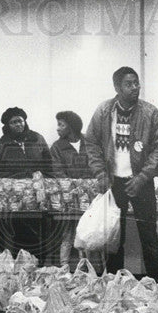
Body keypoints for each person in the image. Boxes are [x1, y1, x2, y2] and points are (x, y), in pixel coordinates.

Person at [84, 66, 158, 280]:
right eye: (128, 84)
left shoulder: (150, 112)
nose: (135, 88)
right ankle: (114, 282)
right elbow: (91, 142)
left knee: (149, 235)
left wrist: (142, 177)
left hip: (141, 182)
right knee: (114, 236)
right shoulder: (104, 111)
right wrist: (101, 174)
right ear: (117, 87)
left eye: (136, 83)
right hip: (113, 182)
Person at [49, 110, 89, 267]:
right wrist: (73, 188)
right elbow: (58, 171)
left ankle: (86, 269)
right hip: (68, 199)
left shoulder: (90, 142)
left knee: (87, 233)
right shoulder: (57, 147)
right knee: (68, 232)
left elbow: (97, 164)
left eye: (61, 124)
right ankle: (64, 269)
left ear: (71, 126)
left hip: (89, 198)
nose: (57, 128)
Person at [0, 107, 54, 178]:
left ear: (25, 122)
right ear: (7, 126)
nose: (18, 124)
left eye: (20, 121)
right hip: (12, 186)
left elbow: (49, 164)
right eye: (13, 122)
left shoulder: (37, 138)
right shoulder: (0, 144)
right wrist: (25, 176)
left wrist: (43, 175)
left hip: (39, 184)